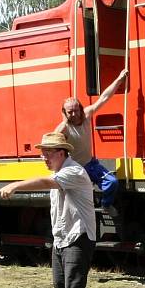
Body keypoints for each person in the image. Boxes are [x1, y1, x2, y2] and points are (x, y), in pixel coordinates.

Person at [0, 132, 100, 288]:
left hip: (78, 237)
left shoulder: (73, 171)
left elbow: (45, 182)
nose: (44, 158)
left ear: (61, 153)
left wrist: (15, 185)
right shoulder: (60, 171)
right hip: (62, 238)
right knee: (60, 287)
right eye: (42, 154)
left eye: (48, 154)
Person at [55, 69, 128, 215]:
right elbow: (49, 144)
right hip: (75, 168)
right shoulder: (63, 129)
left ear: (81, 109)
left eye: (76, 110)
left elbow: (104, 98)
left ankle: (106, 205)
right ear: (64, 113)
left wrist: (119, 79)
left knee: (112, 182)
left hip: (90, 164)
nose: (74, 114)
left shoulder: (86, 115)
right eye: (70, 112)